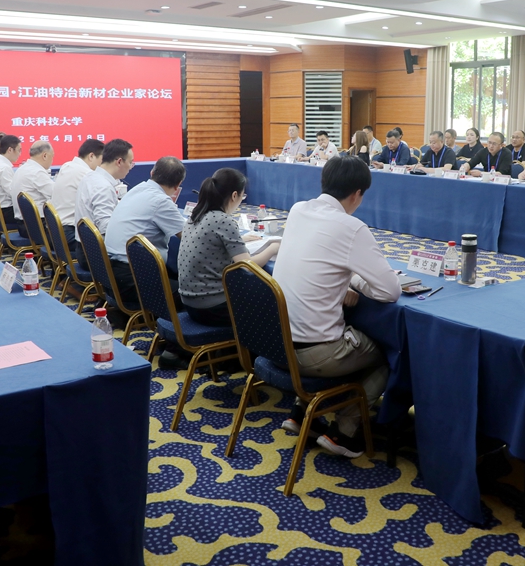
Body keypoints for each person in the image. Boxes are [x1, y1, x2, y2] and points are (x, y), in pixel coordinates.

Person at [273, 156, 401, 458]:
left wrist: (343, 279)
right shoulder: (351, 227)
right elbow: (390, 291)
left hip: (277, 346)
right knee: (389, 354)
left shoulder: (298, 210)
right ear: (357, 194)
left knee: (344, 332)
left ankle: (302, 412)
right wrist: (354, 280)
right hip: (315, 355)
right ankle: (345, 429)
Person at [178, 168, 279, 326]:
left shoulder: (196, 215)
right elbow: (247, 266)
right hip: (212, 308)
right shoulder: (223, 220)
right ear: (234, 195)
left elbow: (211, 241)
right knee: (274, 307)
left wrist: (240, 240)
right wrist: (273, 248)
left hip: (190, 303)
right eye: (242, 196)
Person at [104, 156, 186, 303]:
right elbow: (189, 237)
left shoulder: (137, 189)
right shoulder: (161, 201)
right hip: (134, 282)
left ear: (151, 173)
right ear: (178, 184)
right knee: (195, 292)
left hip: (111, 275)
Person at [74, 138, 133, 237]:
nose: (131, 167)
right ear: (119, 162)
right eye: (130, 162)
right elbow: (105, 227)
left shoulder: (90, 177)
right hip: (98, 245)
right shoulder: (103, 186)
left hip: (84, 243)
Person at [51, 138, 104, 246]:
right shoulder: (87, 174)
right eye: (102, 160)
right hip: (70, 233)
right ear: (91, 156)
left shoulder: (67, 166)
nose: (102, 165)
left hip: (56, 231)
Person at [11, 140, 55, 225]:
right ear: (45, 155)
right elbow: (56, 195)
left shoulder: (22, 169)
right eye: (52, 156)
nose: (52, 160)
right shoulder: (37, 172)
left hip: (24, 223)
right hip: (38, 224)